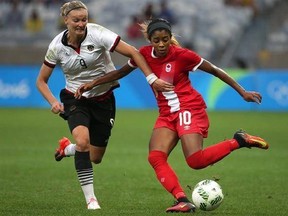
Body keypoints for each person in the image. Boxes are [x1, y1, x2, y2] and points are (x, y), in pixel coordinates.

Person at [73, 18, 270, 213]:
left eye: (165, 39)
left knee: (195, 161)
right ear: (149, 40)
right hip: (167, 113)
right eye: (156, 40)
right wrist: (94, 83)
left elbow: (215, 70)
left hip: (188, 108)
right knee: (155, 157)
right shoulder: (142, 55)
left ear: (170, 38)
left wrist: (242, 92)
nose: (161, 44)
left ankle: (239, 141)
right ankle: (182, 199)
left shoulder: (182, 55)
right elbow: (119, 73)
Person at [36, 1, 173, 210]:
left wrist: (151, 79)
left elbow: (134, 53)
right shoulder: (56, 47)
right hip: (75, 98)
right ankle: (91, 200)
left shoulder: (98, 34)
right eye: (76, 20)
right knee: (83, 141)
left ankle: (67, 149)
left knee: (94, 156)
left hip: (104, 99)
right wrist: (53, 102)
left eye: (84, 19)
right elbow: (41, 81)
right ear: (66, 21)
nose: (81, 24)